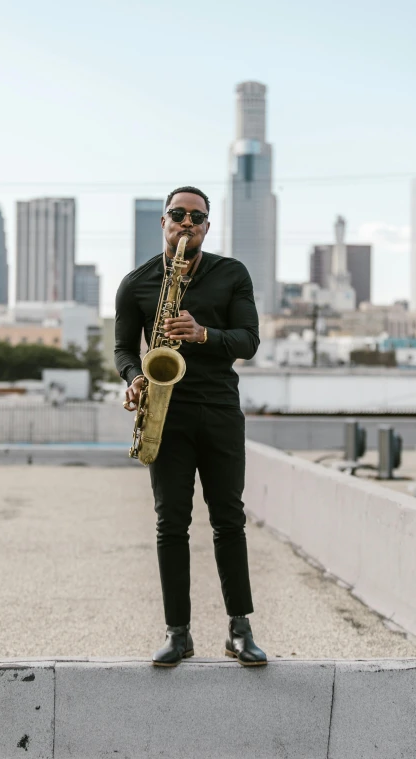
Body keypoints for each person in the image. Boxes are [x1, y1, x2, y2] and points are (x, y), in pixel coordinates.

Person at [114, 185, 267, 667]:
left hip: (220, 410)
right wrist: (136, 377)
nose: (186, 222)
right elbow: (122, 349)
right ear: (163, 222)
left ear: (206, 226)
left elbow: (249, 340)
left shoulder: (231, 274)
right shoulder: (136, 283)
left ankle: (239, 630)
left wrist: (203, 333)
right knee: (170, 524)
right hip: (167, 412)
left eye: (196, 217)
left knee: (229, 520)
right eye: (177, 214)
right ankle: (178, 633)